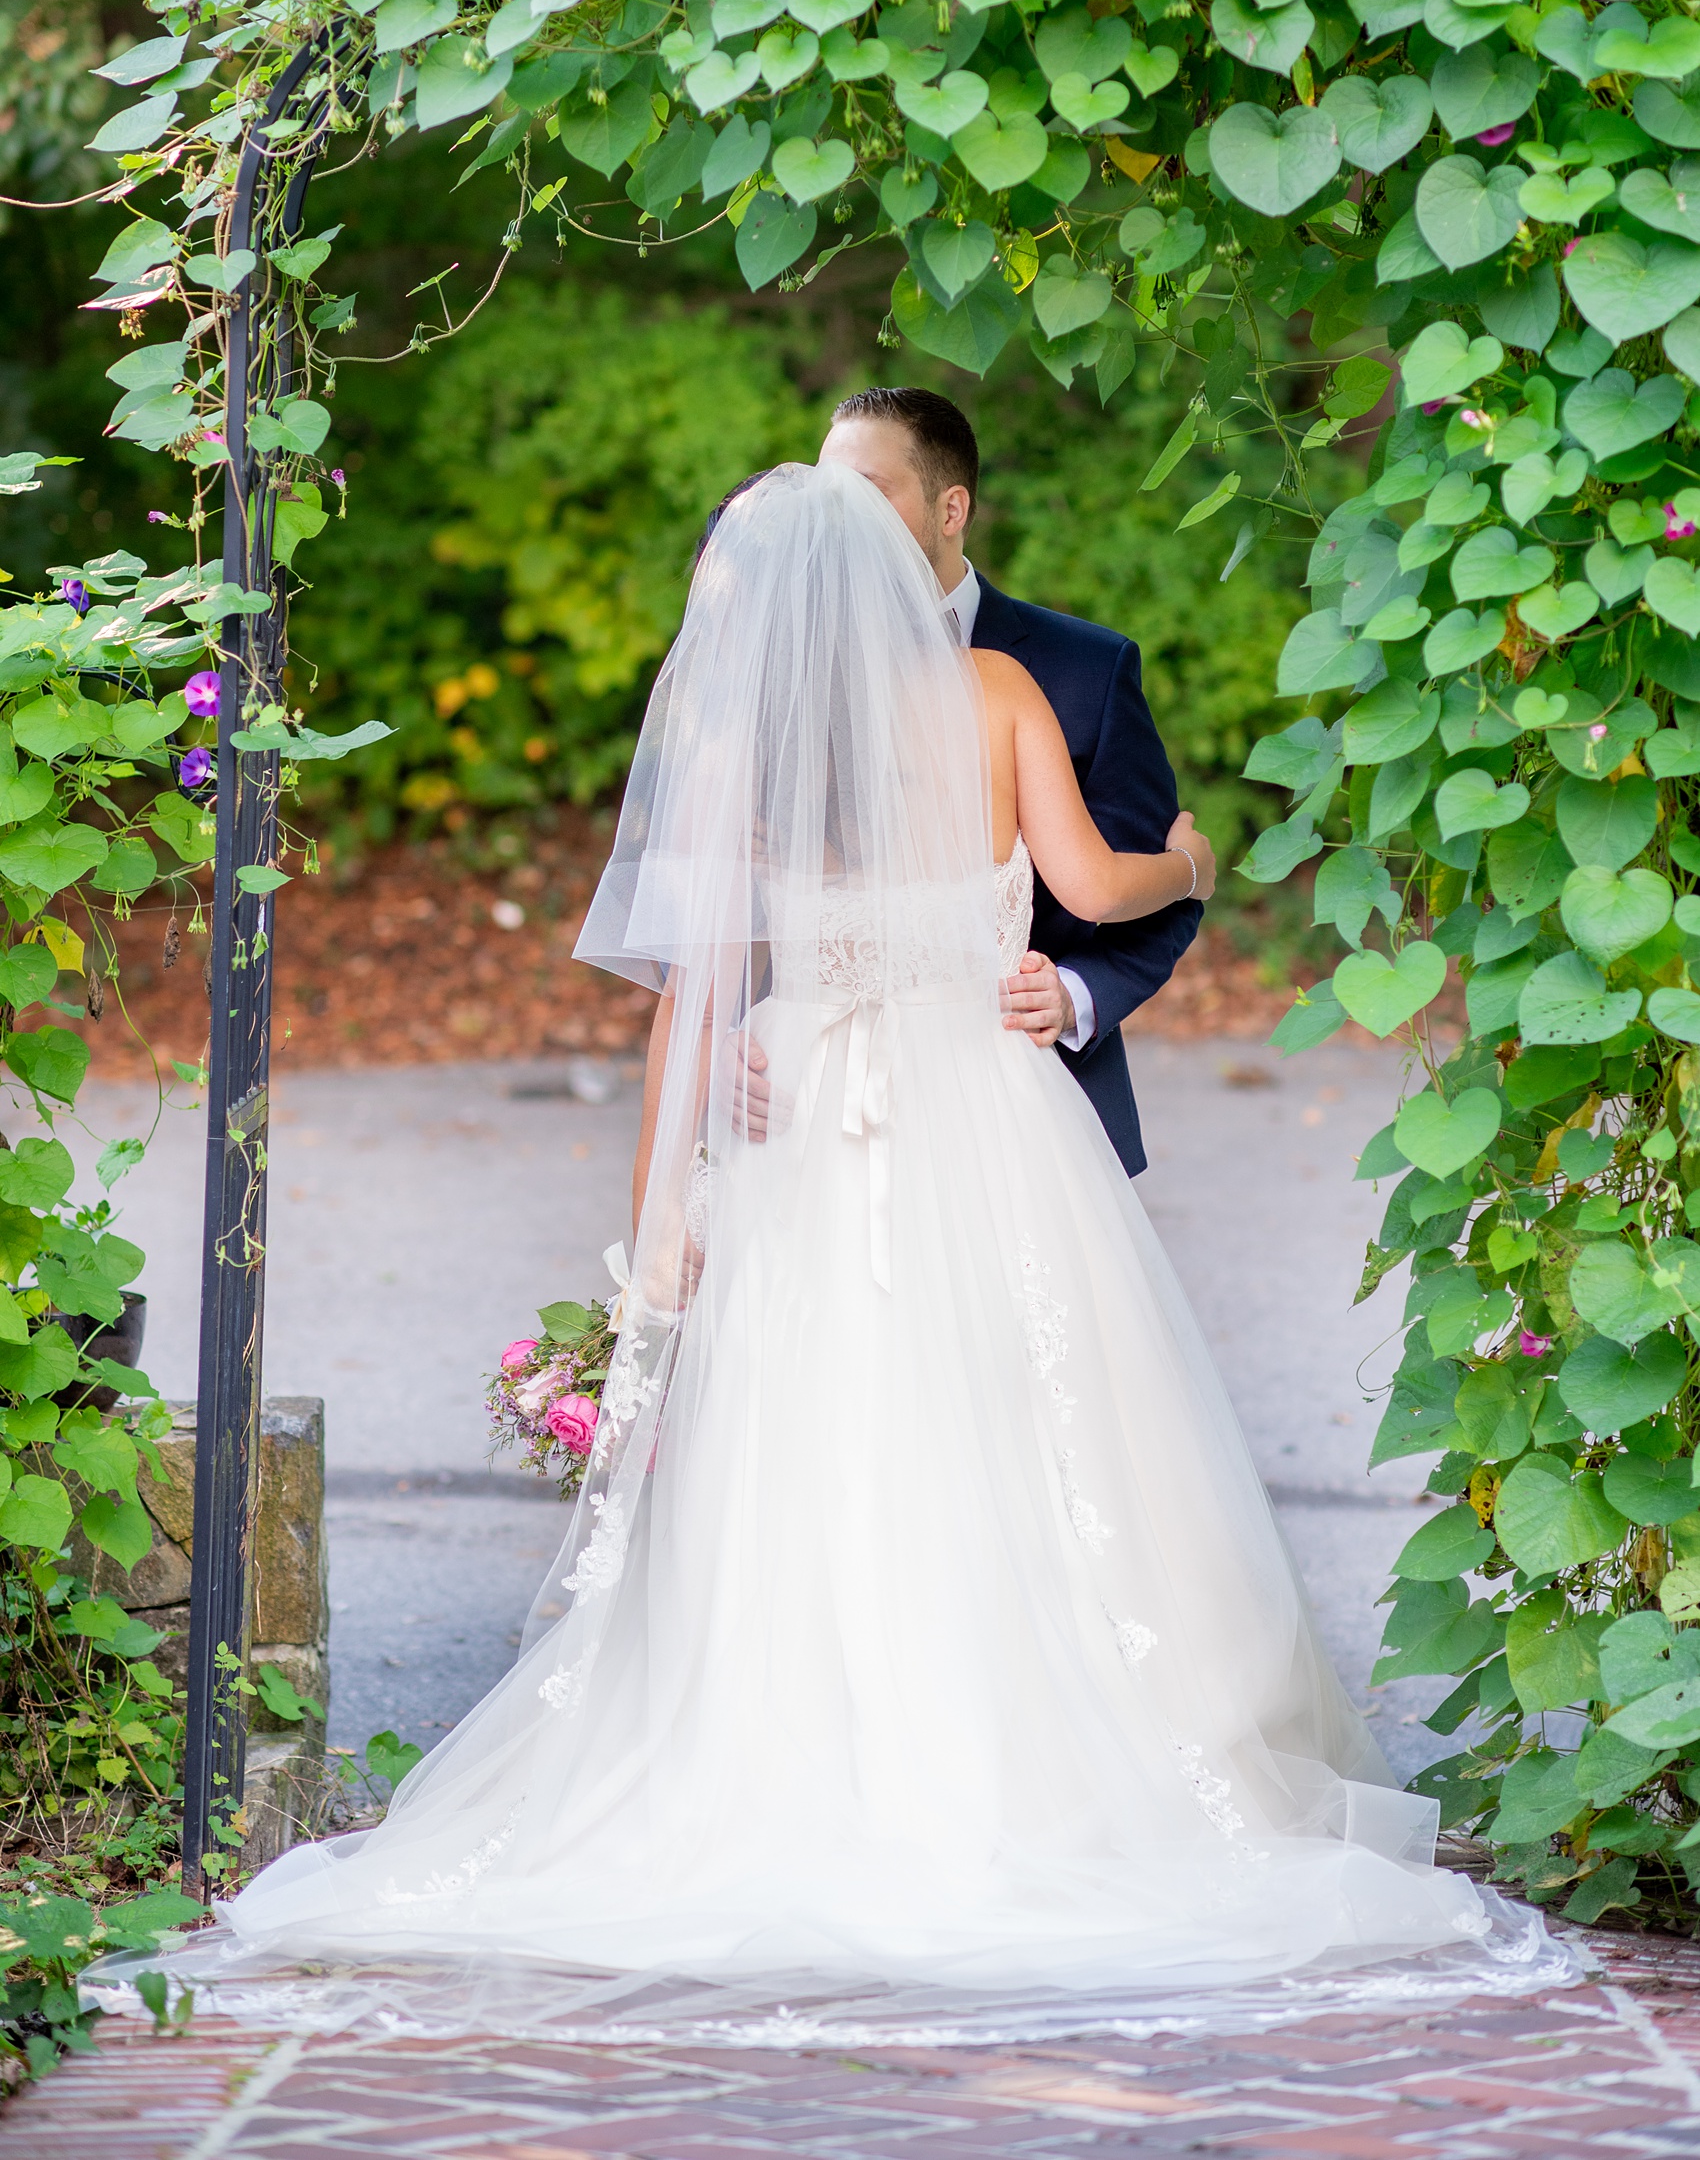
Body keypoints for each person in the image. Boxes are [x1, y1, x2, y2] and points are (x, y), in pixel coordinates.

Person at [108, 455, 1569, 2047]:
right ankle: (1051, 1759)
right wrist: (1197, 861)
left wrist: (668, 1210)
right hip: (981, 1110)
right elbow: (1093, 883)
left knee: (807, 1442)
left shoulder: (751, 739)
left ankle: (790, 1756)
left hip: (803, 1116)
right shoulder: (999, 686)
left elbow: (693, 991)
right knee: (1025, 1421)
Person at [731, 389, 1197, 1178]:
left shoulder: (1085, 668)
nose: (837, 511)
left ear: (952, 509)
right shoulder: (784, 686)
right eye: (826, 488)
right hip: (801, 1102)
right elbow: (731, 894)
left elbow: (1118, 887)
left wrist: (1076, 995)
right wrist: (725, 1040)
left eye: (867, 488)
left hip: (1015, 1100)